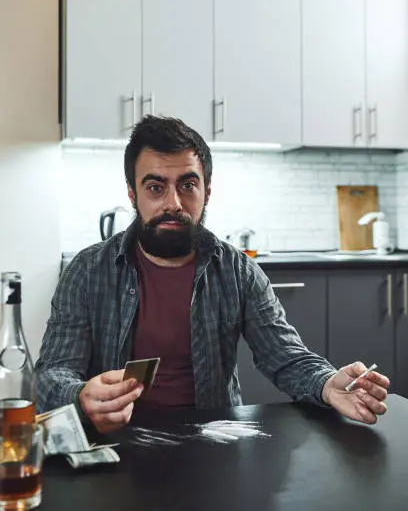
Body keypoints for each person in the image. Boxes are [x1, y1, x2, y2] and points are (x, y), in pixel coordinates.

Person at [35, 116, 389, 433]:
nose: (173, 202)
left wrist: (327, 383)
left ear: (207, 192)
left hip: (212, 442)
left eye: (187, 185)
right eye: (156, 187)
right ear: (133, 194)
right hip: (115, 446)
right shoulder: (86, 271)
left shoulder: (237, 270)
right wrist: (82, 396)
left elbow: (285, 356)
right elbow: (50, 377)